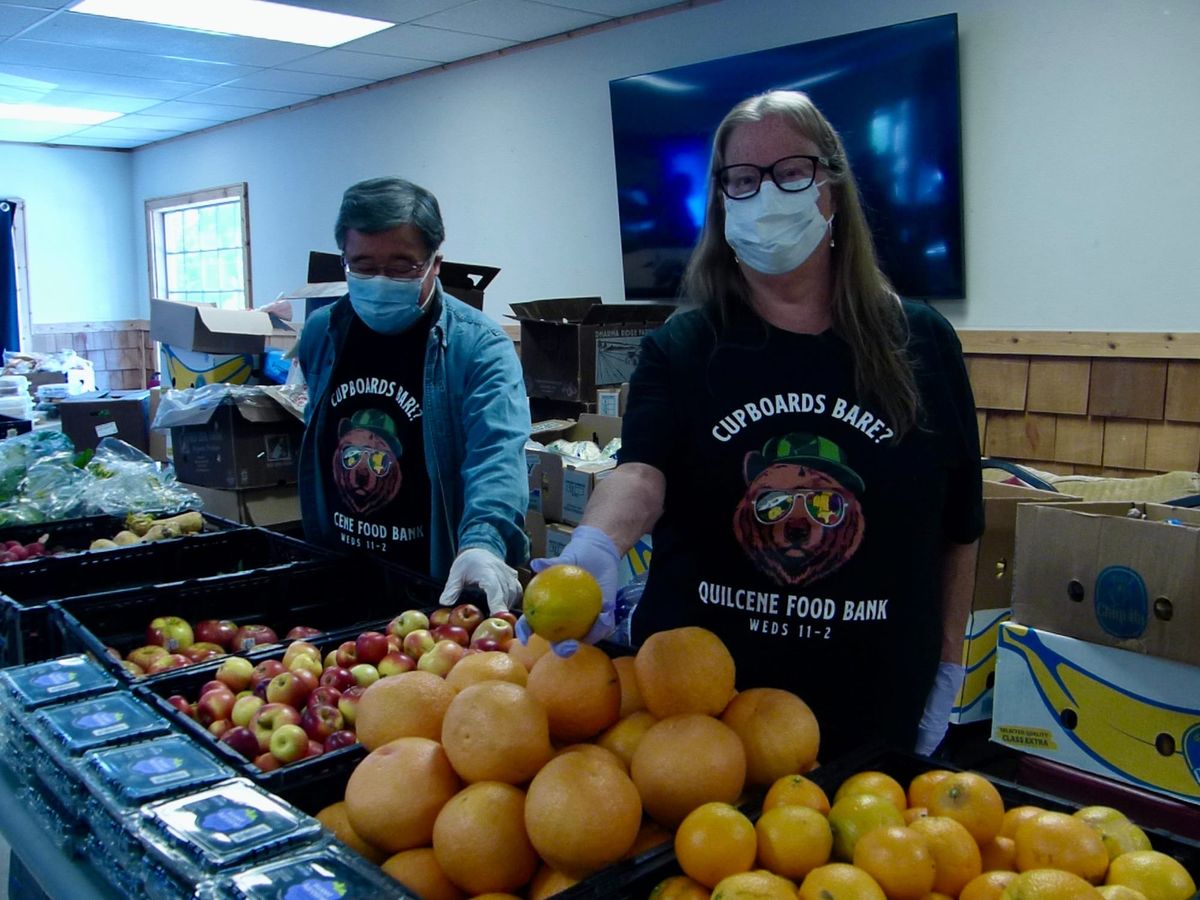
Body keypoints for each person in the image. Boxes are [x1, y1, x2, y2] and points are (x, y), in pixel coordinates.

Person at [527, 91, 983, 759]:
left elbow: (960, 526)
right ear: (721, 203)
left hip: (872, 704)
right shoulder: (682, 348)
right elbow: (640, 474)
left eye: (790, 173)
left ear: (831, 191)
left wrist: (948, 659)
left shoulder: (920, 343)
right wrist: (595, 547)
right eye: (742, 180)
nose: (765, 196)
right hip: (702, 716)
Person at [296, 176, 530, 614]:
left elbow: (497, 454)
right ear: (343, 260)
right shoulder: (323, 333)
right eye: (362, 266)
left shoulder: (478, 347)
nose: (380, 281)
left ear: (435, 263)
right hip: (342, 575)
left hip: (435, 587)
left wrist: (484, 541)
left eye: (402, 266)